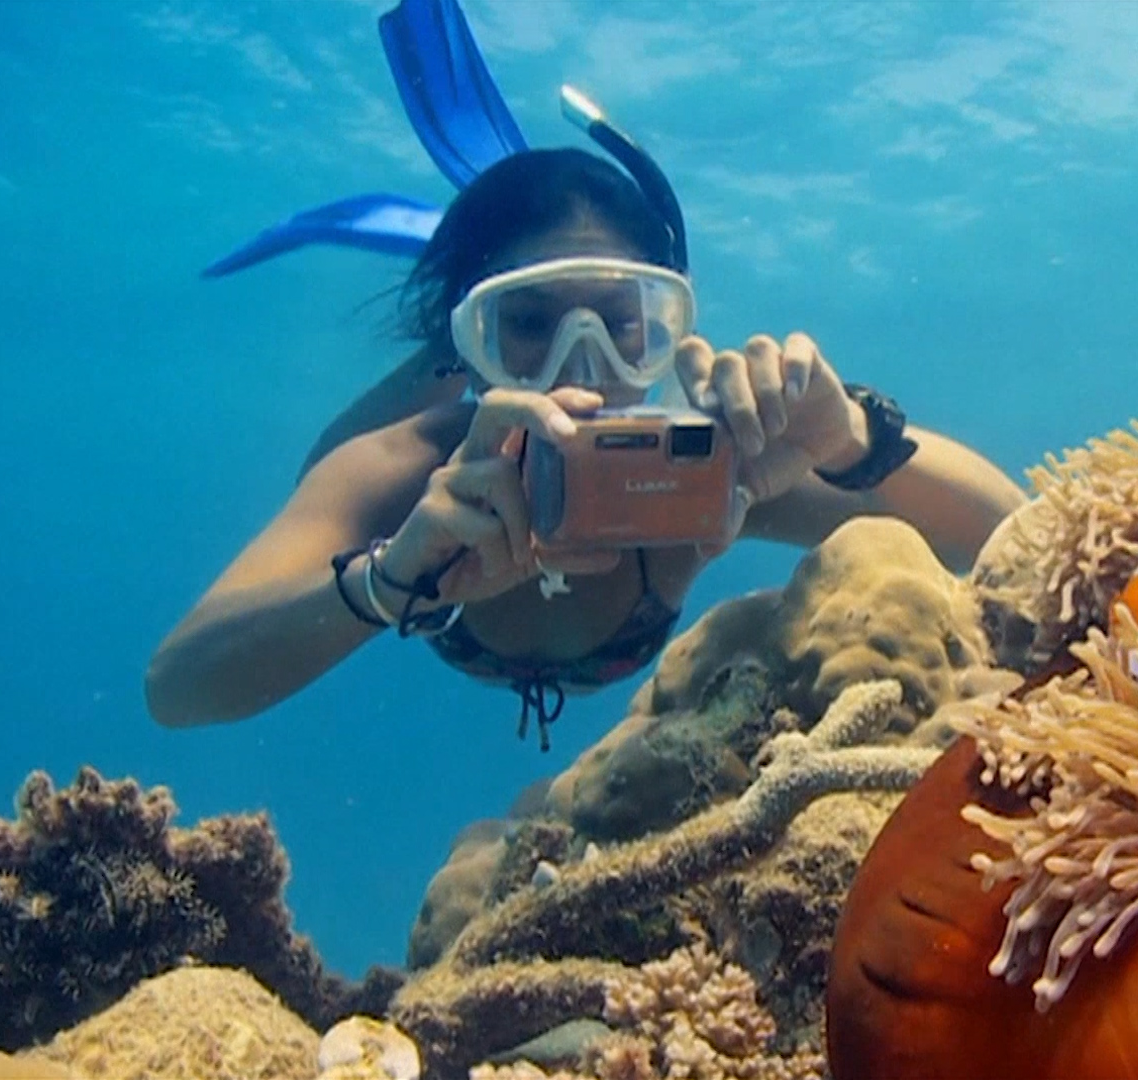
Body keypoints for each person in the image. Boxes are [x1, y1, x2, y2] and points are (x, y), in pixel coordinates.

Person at [143, 142, 1027, 743]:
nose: (584, 369)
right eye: (525, 325)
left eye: (621, 326)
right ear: (474, 340)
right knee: (335, 460)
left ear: (664, 331)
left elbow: (1008, 531)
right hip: (435, 415)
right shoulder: (403, 471)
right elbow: (176, 686)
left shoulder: (706, 471)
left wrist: (852, 437)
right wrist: (385, 581)